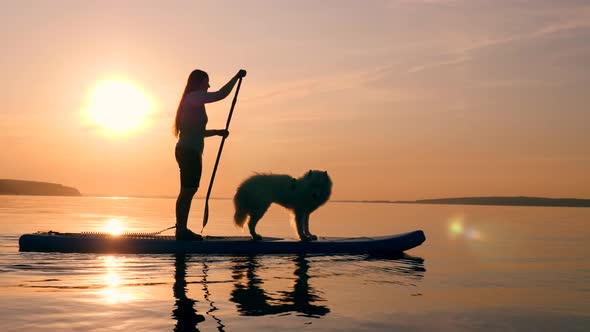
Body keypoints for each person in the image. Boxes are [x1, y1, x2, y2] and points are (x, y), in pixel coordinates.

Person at [173, 69, 247, 240]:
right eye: (206, 82)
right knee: (187, 191)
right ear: (198, 83)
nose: (208, 85)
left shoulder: (193, 100)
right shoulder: (194, 97)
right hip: (189, 153)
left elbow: (196, 131)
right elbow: (221, 94)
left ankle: (181, 229)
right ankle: (181, 231)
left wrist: (217, 132)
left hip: (188, 151)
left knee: (187, 191)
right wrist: (236, 77)